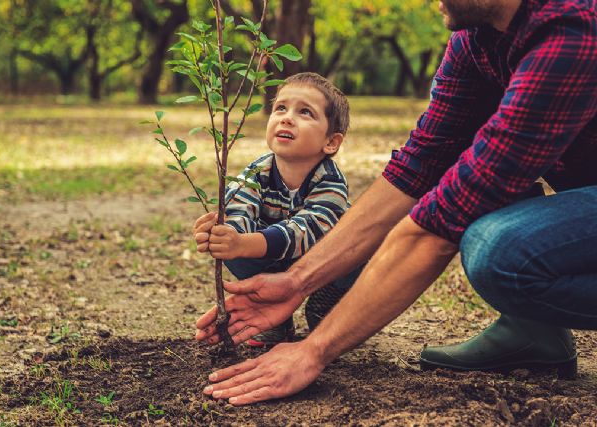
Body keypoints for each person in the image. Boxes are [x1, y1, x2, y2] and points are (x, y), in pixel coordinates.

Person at [194, 0, 597, 406]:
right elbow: (418, 166)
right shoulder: (473, 39)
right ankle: (535, 331)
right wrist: (296, 282)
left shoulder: (572, 28)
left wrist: (313, 350)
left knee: (499, 250)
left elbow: (440, 226)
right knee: (477, 173)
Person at [192, 72, 363, 347]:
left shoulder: (330, 181)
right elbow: (238, 207)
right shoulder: (258, 170)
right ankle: (276, 318)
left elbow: (307, 232)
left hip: (324, 263)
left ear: (330, 142)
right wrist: (225, 235)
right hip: (274, 257)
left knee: (358, 252)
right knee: (235, 249)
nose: (286, 117)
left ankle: (330, 300)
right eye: (280, 108)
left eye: (305, 112)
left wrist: (247, 242)